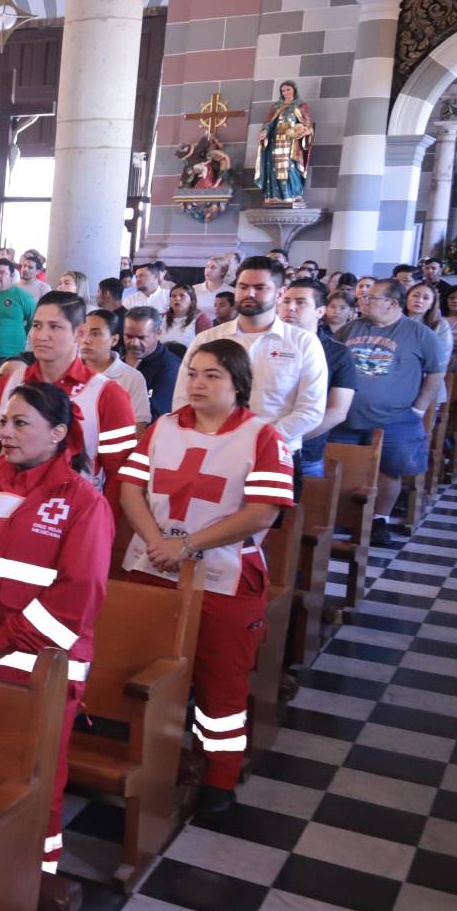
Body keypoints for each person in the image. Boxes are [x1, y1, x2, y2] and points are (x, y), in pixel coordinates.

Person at [0, 382, 112, 875]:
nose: (4, 432)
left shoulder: (81, 502)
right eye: (3, 421)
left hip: (41, 669)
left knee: (35, 784)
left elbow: (77, 597)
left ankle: (31, 888)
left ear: (58, 434)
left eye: (20, 424)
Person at [118, 341, 295, 814]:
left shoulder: (263, 437)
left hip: (226, 578)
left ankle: (219, 776)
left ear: (238, 383)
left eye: (212, 375)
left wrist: (187, 545)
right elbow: (130, 488)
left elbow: (261, 514)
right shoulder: (162, 428)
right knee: (145, 670)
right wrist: (160, 542)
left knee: (222, 683)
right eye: (193, 373)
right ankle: (150, 760)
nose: (197, 383)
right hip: (152, 567)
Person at [0, 292, 138, 493]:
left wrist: (103, 521)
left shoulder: (107, 395)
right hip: (8, 504)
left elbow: (120, 476)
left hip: (74, 512)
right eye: (37, 325)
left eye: (54, 326)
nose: (41, 335)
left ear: (80, 333)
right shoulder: (8, 383)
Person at [182, 256, 327, 470]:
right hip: (211, 450)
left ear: (279, 294)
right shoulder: (208, 339)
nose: (249, 294)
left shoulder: (303, 343)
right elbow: (183, 397)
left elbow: (310, 410)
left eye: (260, 288)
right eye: (243, 287)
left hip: (274, 453)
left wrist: (260, 439)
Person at [334, 279, 448, 527]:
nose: (363, 300)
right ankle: (344, 518)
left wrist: (419, 407)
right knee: (341, 464)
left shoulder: (420, 334)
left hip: (395, 417)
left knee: (390, 468)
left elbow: (436, 373)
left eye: (371, 298)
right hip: (345, 416)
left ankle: (379, 519)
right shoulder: (350, 329)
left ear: (392, 303)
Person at [279, 278, 356, 478]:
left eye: (300, 302)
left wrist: (285, 439)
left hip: (305, 451)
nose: (291, 308)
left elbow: (337, 411)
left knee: (303, 507)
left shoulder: (337, 353)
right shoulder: (265, 343)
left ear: (320, 311)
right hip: (257, 446)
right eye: (286, 301)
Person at [81, 307, 151, 426]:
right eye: (82, 333)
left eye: (95, 334)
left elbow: (138, 428)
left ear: (114, 340)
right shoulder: (67, 371)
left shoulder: (132, 378)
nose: (86, 340)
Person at [121, 307, 182, 421]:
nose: (134, 343)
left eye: (141, 337)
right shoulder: (115, 358)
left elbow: (154, 418)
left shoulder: (170, 368)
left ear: (158, 333)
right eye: (129, 336)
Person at [407, 281, 455, 403]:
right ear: (407, 297)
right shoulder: (393, 321)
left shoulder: (440, 325)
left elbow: (442, 359)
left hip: (426, 383)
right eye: (415, 295)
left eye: (426, 298)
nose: (419, 300)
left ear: (431, 305)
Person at [164, 282, 206, 348]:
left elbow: (204, 348)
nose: (177, 299)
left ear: (192, 300)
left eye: (182, 295)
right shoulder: (161, 317)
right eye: (173, 296)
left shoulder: (202, 319)